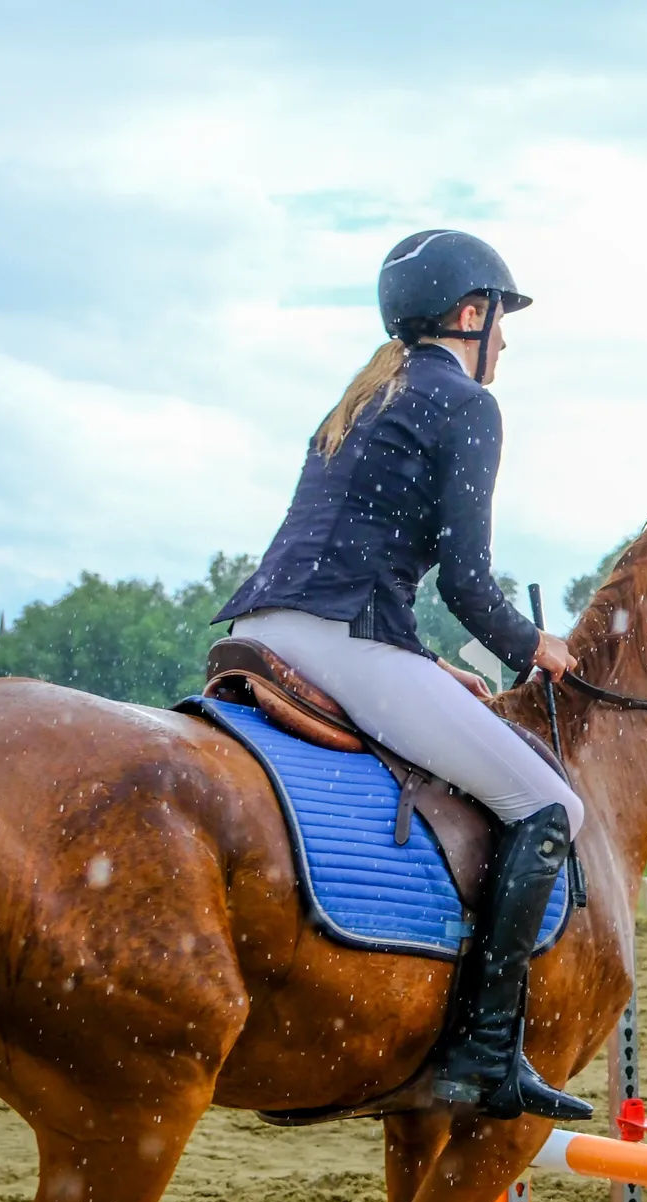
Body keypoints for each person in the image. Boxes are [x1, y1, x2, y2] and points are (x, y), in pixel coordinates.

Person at [215, 228, 592, 1122]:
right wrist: (533, 645)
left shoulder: (364, 396)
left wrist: (422, 667)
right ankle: (485, 1053)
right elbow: (464, 580)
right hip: (344, 645)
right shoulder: (465, 402)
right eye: (502, 321)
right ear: (471, 314)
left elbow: (357, 557)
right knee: (553, 808)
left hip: (270, 629)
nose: (507, 341)